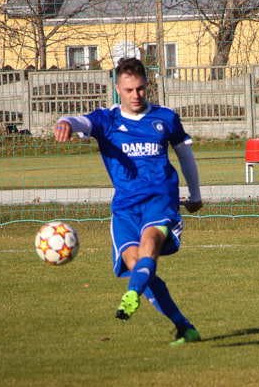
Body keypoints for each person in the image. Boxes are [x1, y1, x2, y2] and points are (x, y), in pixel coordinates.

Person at [53, 57, 203, 345]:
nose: (136, 95)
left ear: (148, 86)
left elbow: (184, 154)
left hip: (160, 200)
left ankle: (132, 294)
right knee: (136, 265)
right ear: (117, 88)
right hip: (124, 207)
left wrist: (195, 195)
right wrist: (64, 122)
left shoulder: (165, 117)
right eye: (130, 90)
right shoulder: (107, 120)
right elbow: (80, 121)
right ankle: (184, 327)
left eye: (141, 89)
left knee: (150, 244)